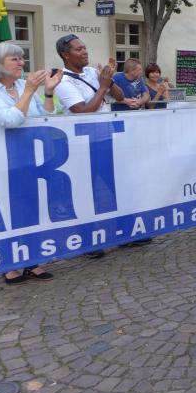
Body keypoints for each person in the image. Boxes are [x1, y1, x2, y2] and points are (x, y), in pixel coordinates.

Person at [0, 42, 63, 284]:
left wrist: (48, 93)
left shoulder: (23, 86)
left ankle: (32, 261)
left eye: (22, 58)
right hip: (3, 160)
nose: (22, 63)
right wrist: (29, 92)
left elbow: (46, 117)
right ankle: (9, 263)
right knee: (8, 212)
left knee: (31, 210)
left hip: (30, 158)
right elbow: (11, 120)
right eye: (15, 59)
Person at [54, 33, 123, 258]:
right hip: (81, 146)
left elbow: (119, 97)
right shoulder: (63, 81)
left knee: (117, 186)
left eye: (84, 47)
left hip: (105, 139)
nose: (84, 52)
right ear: (65, 55)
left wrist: (110, 80)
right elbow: (82, 111)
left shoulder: (93, 72)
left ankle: (126, 230)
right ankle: (87, 240)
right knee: (85, 192)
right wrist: (102, 87)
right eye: (78, 49)